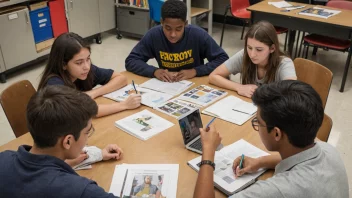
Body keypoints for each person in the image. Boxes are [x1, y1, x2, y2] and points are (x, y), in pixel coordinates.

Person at [194, 80, 349, 198]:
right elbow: (301, 157)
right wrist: (261, 161)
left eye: (258, 122)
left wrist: (208, 151)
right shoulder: (330, 151)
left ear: (276, 133)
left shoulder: (277, 190)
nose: (257, 125)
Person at [0, 85, 123, 198]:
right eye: (87, 132)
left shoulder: (3, 159)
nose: (87, 138)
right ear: (67, 141)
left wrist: (96, 155)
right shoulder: (81, 190)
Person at [38, 32, 141, 117]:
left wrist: (93, 93)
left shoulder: (84, 70)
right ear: (63, 64)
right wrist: (124, 105)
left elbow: (121, 78)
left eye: (88, 59)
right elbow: (90, 111)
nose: (86, 66)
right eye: (79, 62)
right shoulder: (54, 85)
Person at [125, 0, 228, 82]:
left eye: (178, 29)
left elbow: (223, 59)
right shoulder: (153, 35)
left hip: (194, 81)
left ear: (186, 24)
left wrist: (195, 71)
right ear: (161, 22)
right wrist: (154, 71)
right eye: (168, 28)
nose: (173, 34)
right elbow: (131, 61)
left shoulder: (198, 35)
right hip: (167, 84)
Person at [209, 21, 297, 98]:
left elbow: (292, 94)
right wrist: (239, 87)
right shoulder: (245, 55)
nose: (252, 54)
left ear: (272, 48)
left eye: (259, 49)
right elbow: (213, 76)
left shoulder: (285, 63)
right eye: (249, 47)